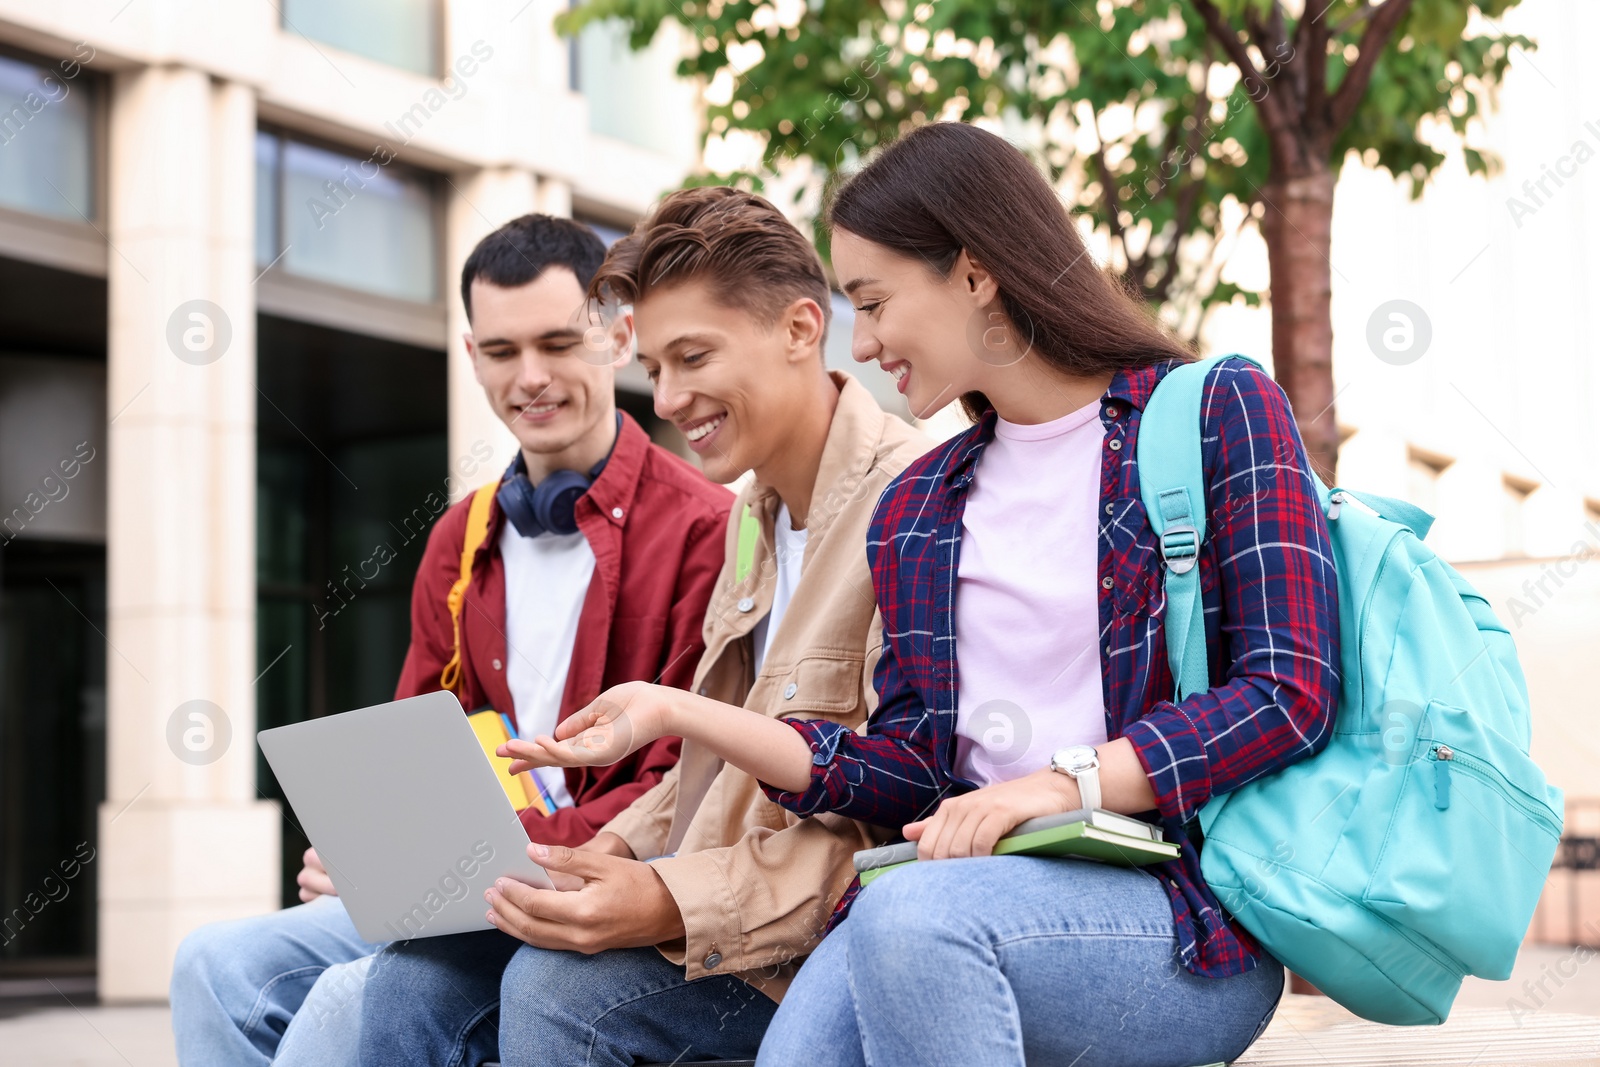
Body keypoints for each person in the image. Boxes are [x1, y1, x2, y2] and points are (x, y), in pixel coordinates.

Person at [526, 123, 1340, 1067]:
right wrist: (676, 710)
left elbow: (1290, 692)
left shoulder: (1211, 410)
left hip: (1173, 915)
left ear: (975, 272)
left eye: (872, 302)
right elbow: (909, 768)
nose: (862, 341)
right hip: (947, 895)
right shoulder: (919, 507)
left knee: (910, 918)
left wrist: (1057, 787)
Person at [355, 186, 931, 1067]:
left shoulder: (912, 506)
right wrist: (606, 853)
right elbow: (703, 772)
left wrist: (665, 897)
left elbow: (894, 811)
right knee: (411, 981)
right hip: (698, 884)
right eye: (655, 366)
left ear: (802, 329)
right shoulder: (753, 521)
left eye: (691, 356)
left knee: (555, 996)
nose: (665, 398)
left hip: (813, 921)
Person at [168, 215, 732, 1067]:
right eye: (502, 351)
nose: (530, 377)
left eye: (556, 342)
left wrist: (512, 853)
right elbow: (415, 741)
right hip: (463, 886)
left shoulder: (707, 529)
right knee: (210, 964)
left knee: (340, 1005)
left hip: (595, 884)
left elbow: (684, 784)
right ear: (471, 357)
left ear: (619, 337)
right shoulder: (459, 537)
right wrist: (373, 852)